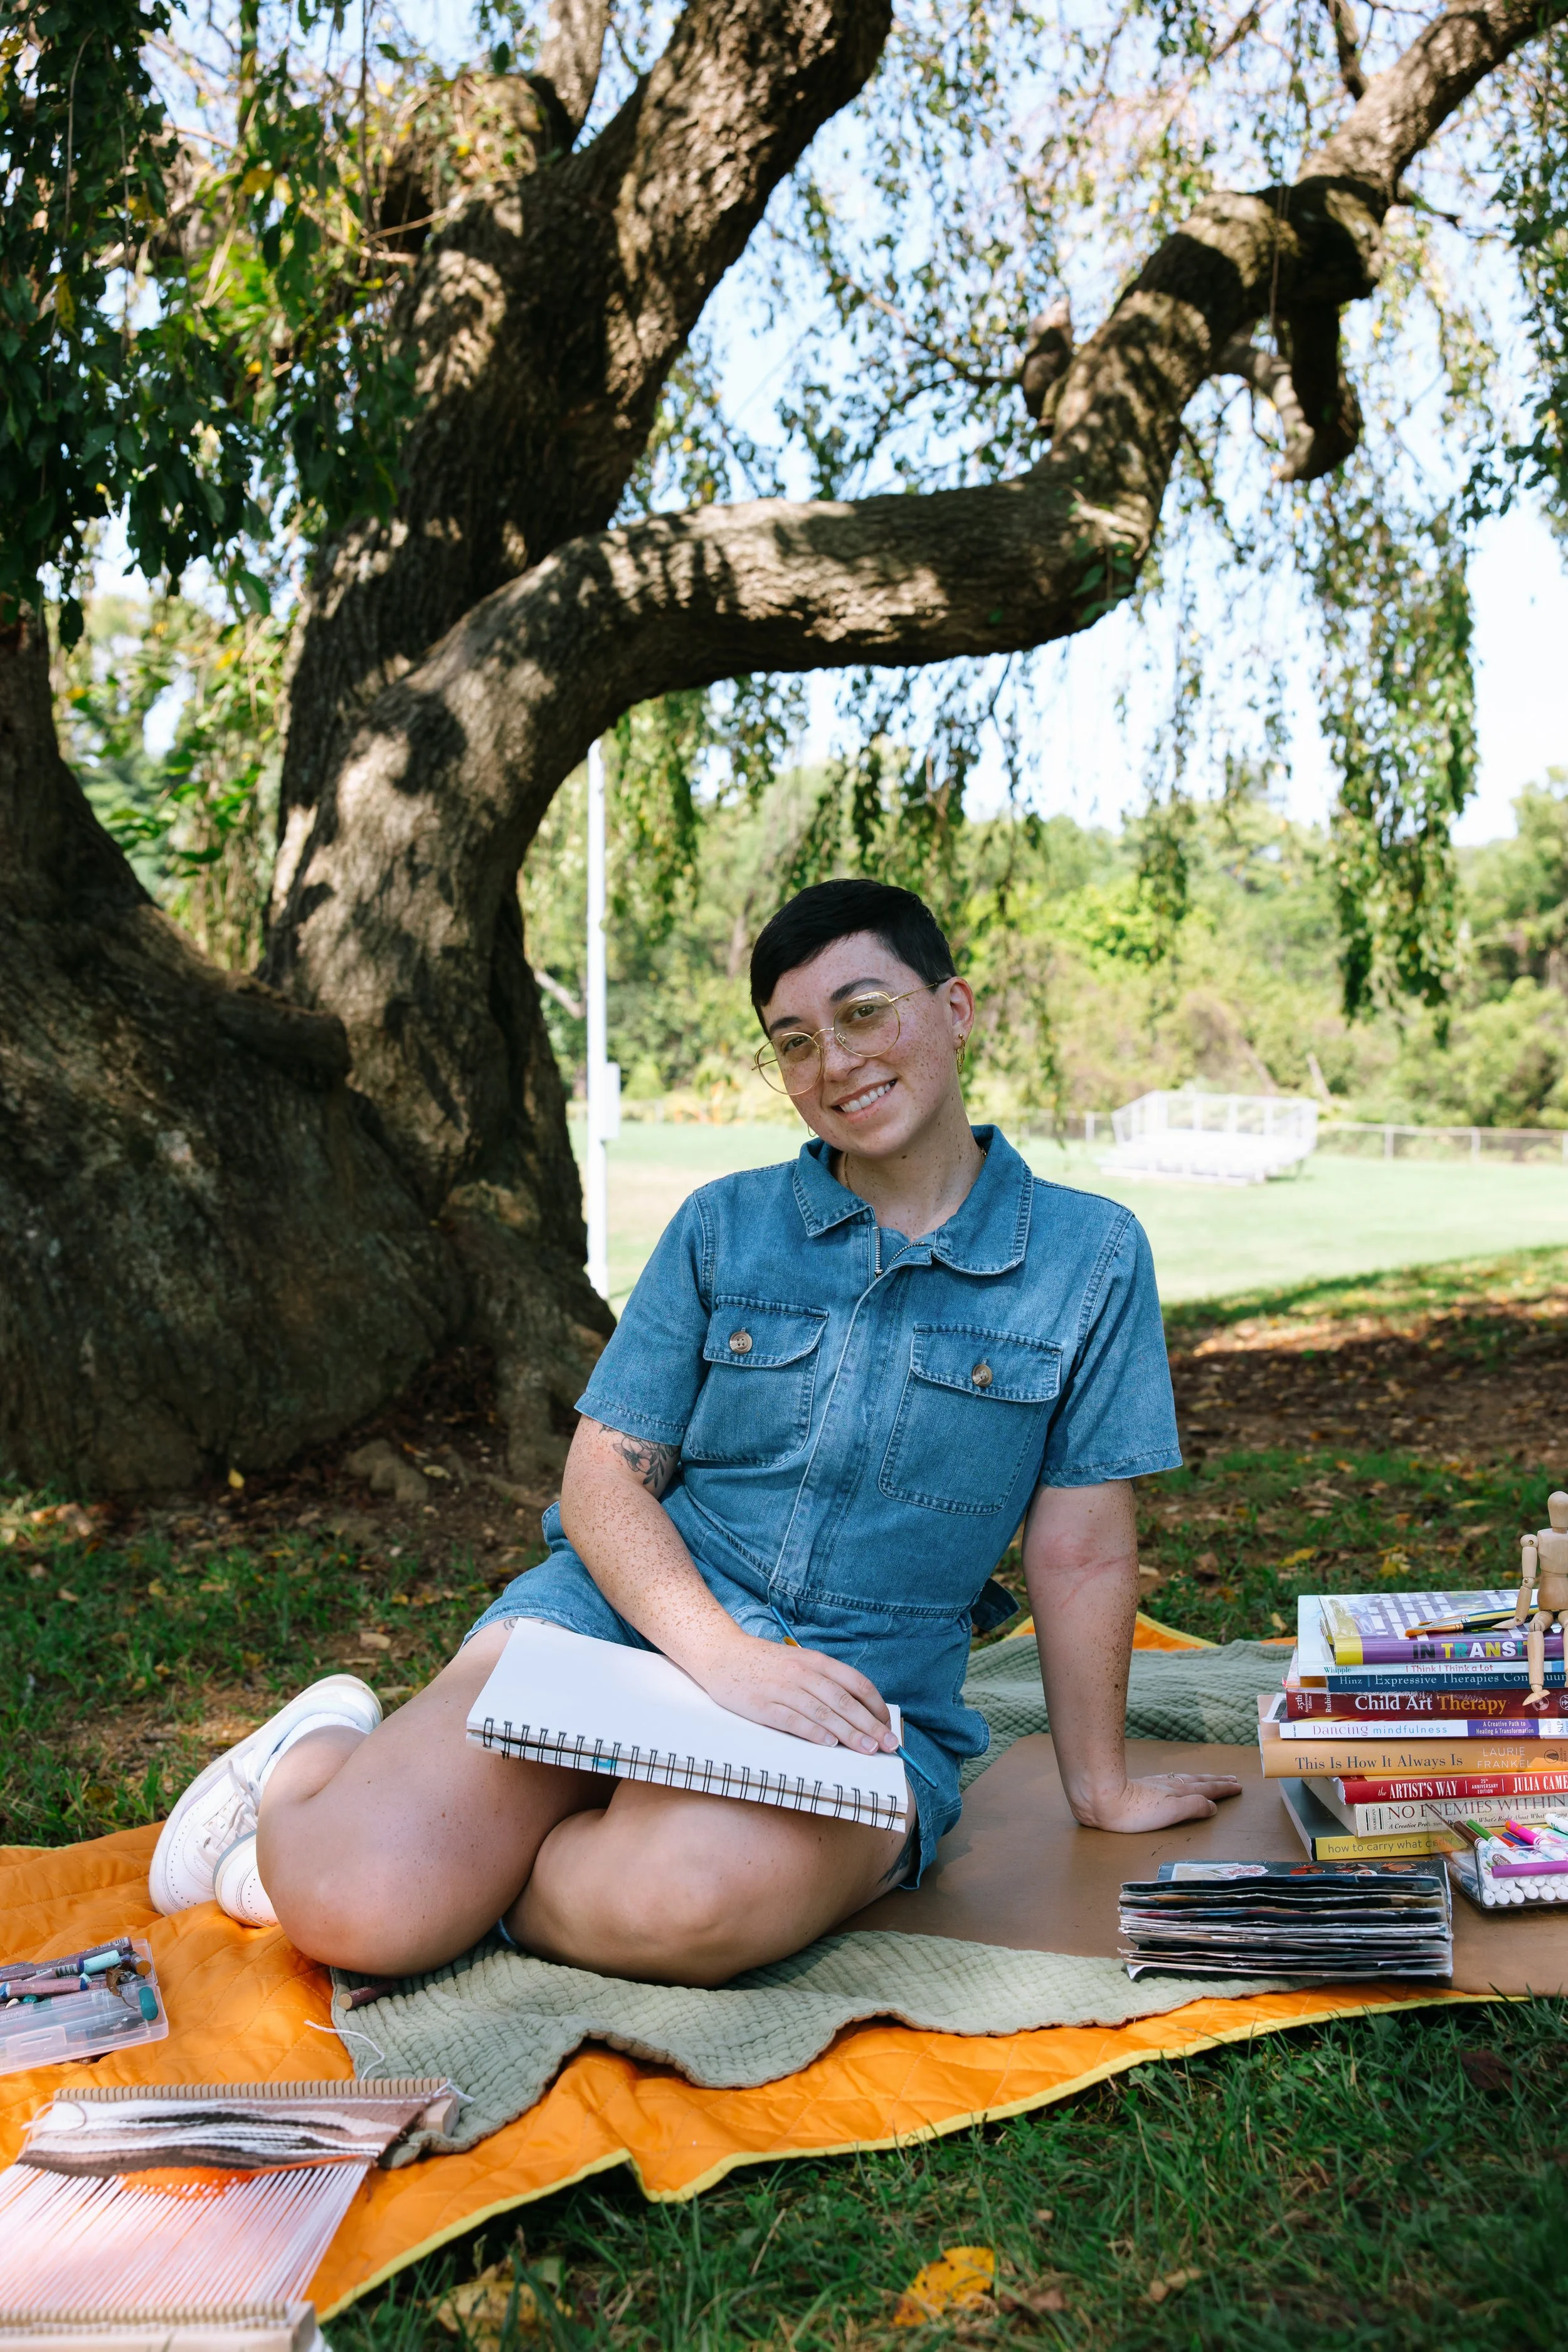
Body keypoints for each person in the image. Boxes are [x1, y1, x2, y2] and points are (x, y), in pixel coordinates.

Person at [151, 879, 1239, 1984]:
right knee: (358, 1909)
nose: (837, 1062)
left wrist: (1096, 1786)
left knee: (684, 1902)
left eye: (865, 1011)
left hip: (858, 1695)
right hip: (629, 1617)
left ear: (954, 1009)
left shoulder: (1089, 1257)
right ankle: (309, 1760)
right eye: (796, 1040)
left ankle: (476, 1862)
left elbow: (1084, 1547)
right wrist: (723, 1658)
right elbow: (603, 1483)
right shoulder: (723, 1225)